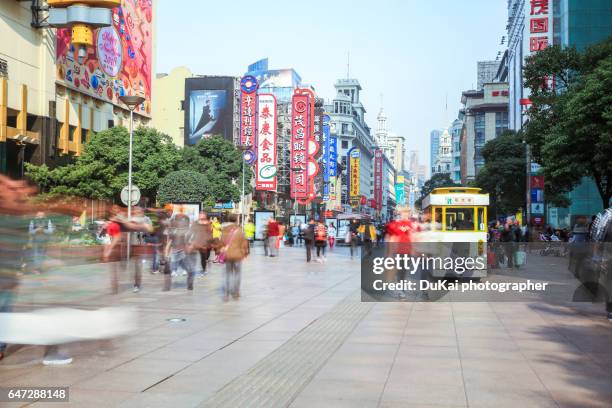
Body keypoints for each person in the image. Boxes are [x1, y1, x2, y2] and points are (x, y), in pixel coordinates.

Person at [220, 214, 249, 300]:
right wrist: (244, 254)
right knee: (237, 274)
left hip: (227, 255)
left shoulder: (224, 230)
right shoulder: (240, 230)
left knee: (227, 274)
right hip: (237, 256)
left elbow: (221, 243)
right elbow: (244, 243)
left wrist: (219, 251)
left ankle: (226, 294)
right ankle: (236, 293)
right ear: (236, 220)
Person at [166, 213, 196, 291]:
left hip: (185, 252)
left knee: (189, 268)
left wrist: (190, 248)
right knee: (173, 264)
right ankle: (173, 274)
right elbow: (169, 242)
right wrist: (166, 252)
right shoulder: (174, 231)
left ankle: (189, 283)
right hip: (176, 251)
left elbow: (192, 242)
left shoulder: (189, 231)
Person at [190, 211, 213, 276]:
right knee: (202, 257)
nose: (201, 216)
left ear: (205, 216)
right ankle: (203, 269)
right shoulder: (195, 223)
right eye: (200, 215)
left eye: (203, 215)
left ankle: (205, 264)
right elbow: (191, 231)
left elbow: (210, 233)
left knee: (206, 257)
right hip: (199, 242)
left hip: (207, 243)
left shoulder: (208, 223)